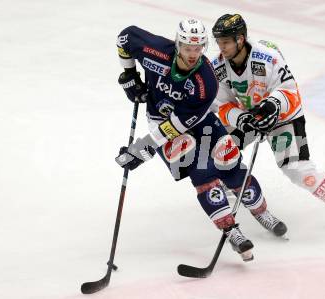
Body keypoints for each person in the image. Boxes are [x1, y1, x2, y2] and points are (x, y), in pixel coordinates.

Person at [114, 18, 288, 261]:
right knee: (201, 172)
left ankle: (261, 212)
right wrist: (129, 74)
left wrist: (143, 149)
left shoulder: (205, 79)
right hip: (160, 120)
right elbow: (125, 37)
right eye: (187, 48)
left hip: (195, 121)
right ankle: (231, 230)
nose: (193, 54)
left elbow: (179, 124)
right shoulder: (154, 50)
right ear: (178, 44)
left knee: (230, 163)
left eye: (198, 48)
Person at [210, 14, 325, 230]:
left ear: (240, 39)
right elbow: (221, 104)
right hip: (251, 117)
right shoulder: (218, 66)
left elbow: (289, 90)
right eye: (218, 42)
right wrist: (242, 119)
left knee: (296, 168)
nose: (221, 48)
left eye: (226, 42)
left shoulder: (267, 57)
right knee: (222, 147)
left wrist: (273, 106)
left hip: (284, 117)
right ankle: (229, 186)